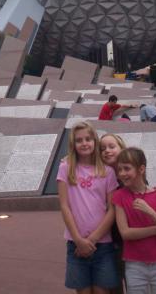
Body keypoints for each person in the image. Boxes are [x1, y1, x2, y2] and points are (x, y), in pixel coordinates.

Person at [99, 135, 156, 294]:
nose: (107, 151)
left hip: (137, 246)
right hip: (113, 241)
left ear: (121, 148)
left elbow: (148, 195)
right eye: (102, 148)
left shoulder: (131, 178)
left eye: (111, 146)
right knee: (116, 285)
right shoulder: (101, 175)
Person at [57, 121, 120, 293]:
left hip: (103, 244)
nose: (84, 143)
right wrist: (78, 240)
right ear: (73, 144)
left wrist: (91, 240)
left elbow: (112, 208)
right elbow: (64, 206)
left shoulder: (107, 171)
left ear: (95, 141)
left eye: (88, 139)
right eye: (79, 140)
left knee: (102, 291)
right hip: (75, 243)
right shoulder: (65, 167)